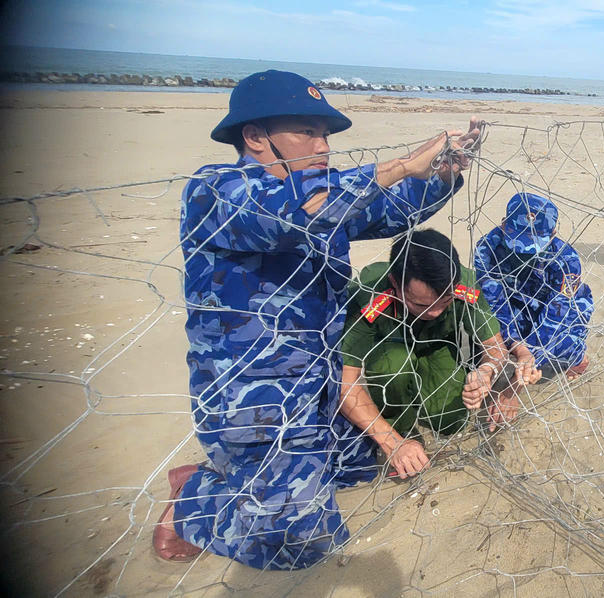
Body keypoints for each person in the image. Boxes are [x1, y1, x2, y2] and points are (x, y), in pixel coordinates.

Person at [160, 70, 480, 568]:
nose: (323, 144)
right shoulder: (216, 191)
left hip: (324, 379)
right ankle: (193, 501)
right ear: (254, 136)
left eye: (326, 133)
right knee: (299, 546)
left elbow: (390, 211)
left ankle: (247, 481)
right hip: (258, 395)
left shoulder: (326, 199)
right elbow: (291, 217)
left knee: (357, 472)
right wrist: (398, 165)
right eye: (307, 131)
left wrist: (444, 172)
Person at [339, 229, 539, 480]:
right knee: (394, 369)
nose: (433, 313)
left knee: (451, 421)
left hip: (437, 347)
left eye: (443, 302)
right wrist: (392, 442)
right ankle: (404, 432)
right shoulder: (368, 297)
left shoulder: (464, 283)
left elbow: (495, 348)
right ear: (395, 284)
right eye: (421, 304)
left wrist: (487, 371)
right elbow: (345, 383)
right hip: (390, 355)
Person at [475, 193, 594, 379]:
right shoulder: (487, 249)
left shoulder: (566, 260)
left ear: (553, 234)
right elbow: (493, 304)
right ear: (504, 224)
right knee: (484, 329)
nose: (525, 251)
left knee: (564, 344)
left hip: (553, 308)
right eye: (518, 240)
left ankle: (578, 358)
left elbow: (556, 317)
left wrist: (524, 368)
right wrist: (517, 347)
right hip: (514, 305)